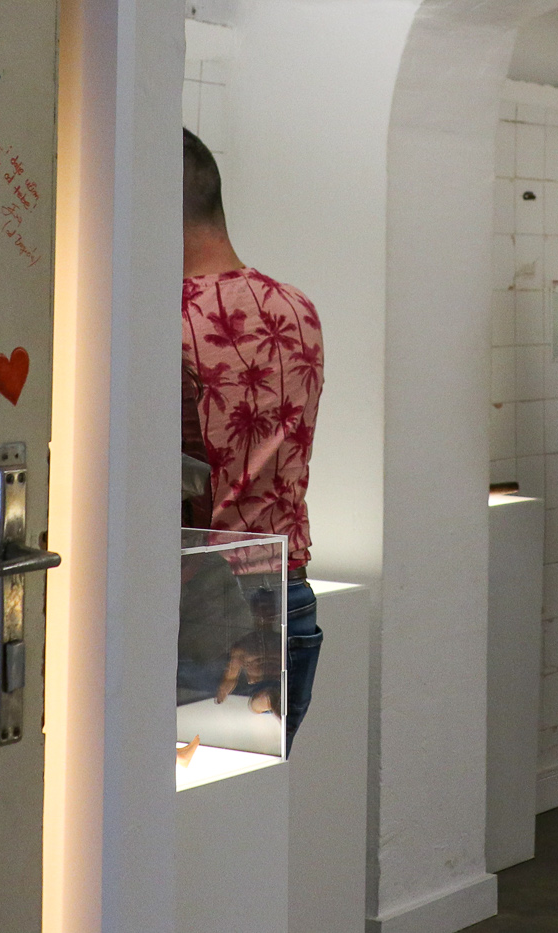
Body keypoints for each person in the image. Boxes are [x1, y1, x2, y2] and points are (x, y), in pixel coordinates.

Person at [181, 128, 327, 750]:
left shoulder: (163, 317)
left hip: (203, 606)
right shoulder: (297, 307)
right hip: (287, 594)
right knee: (252, 800)